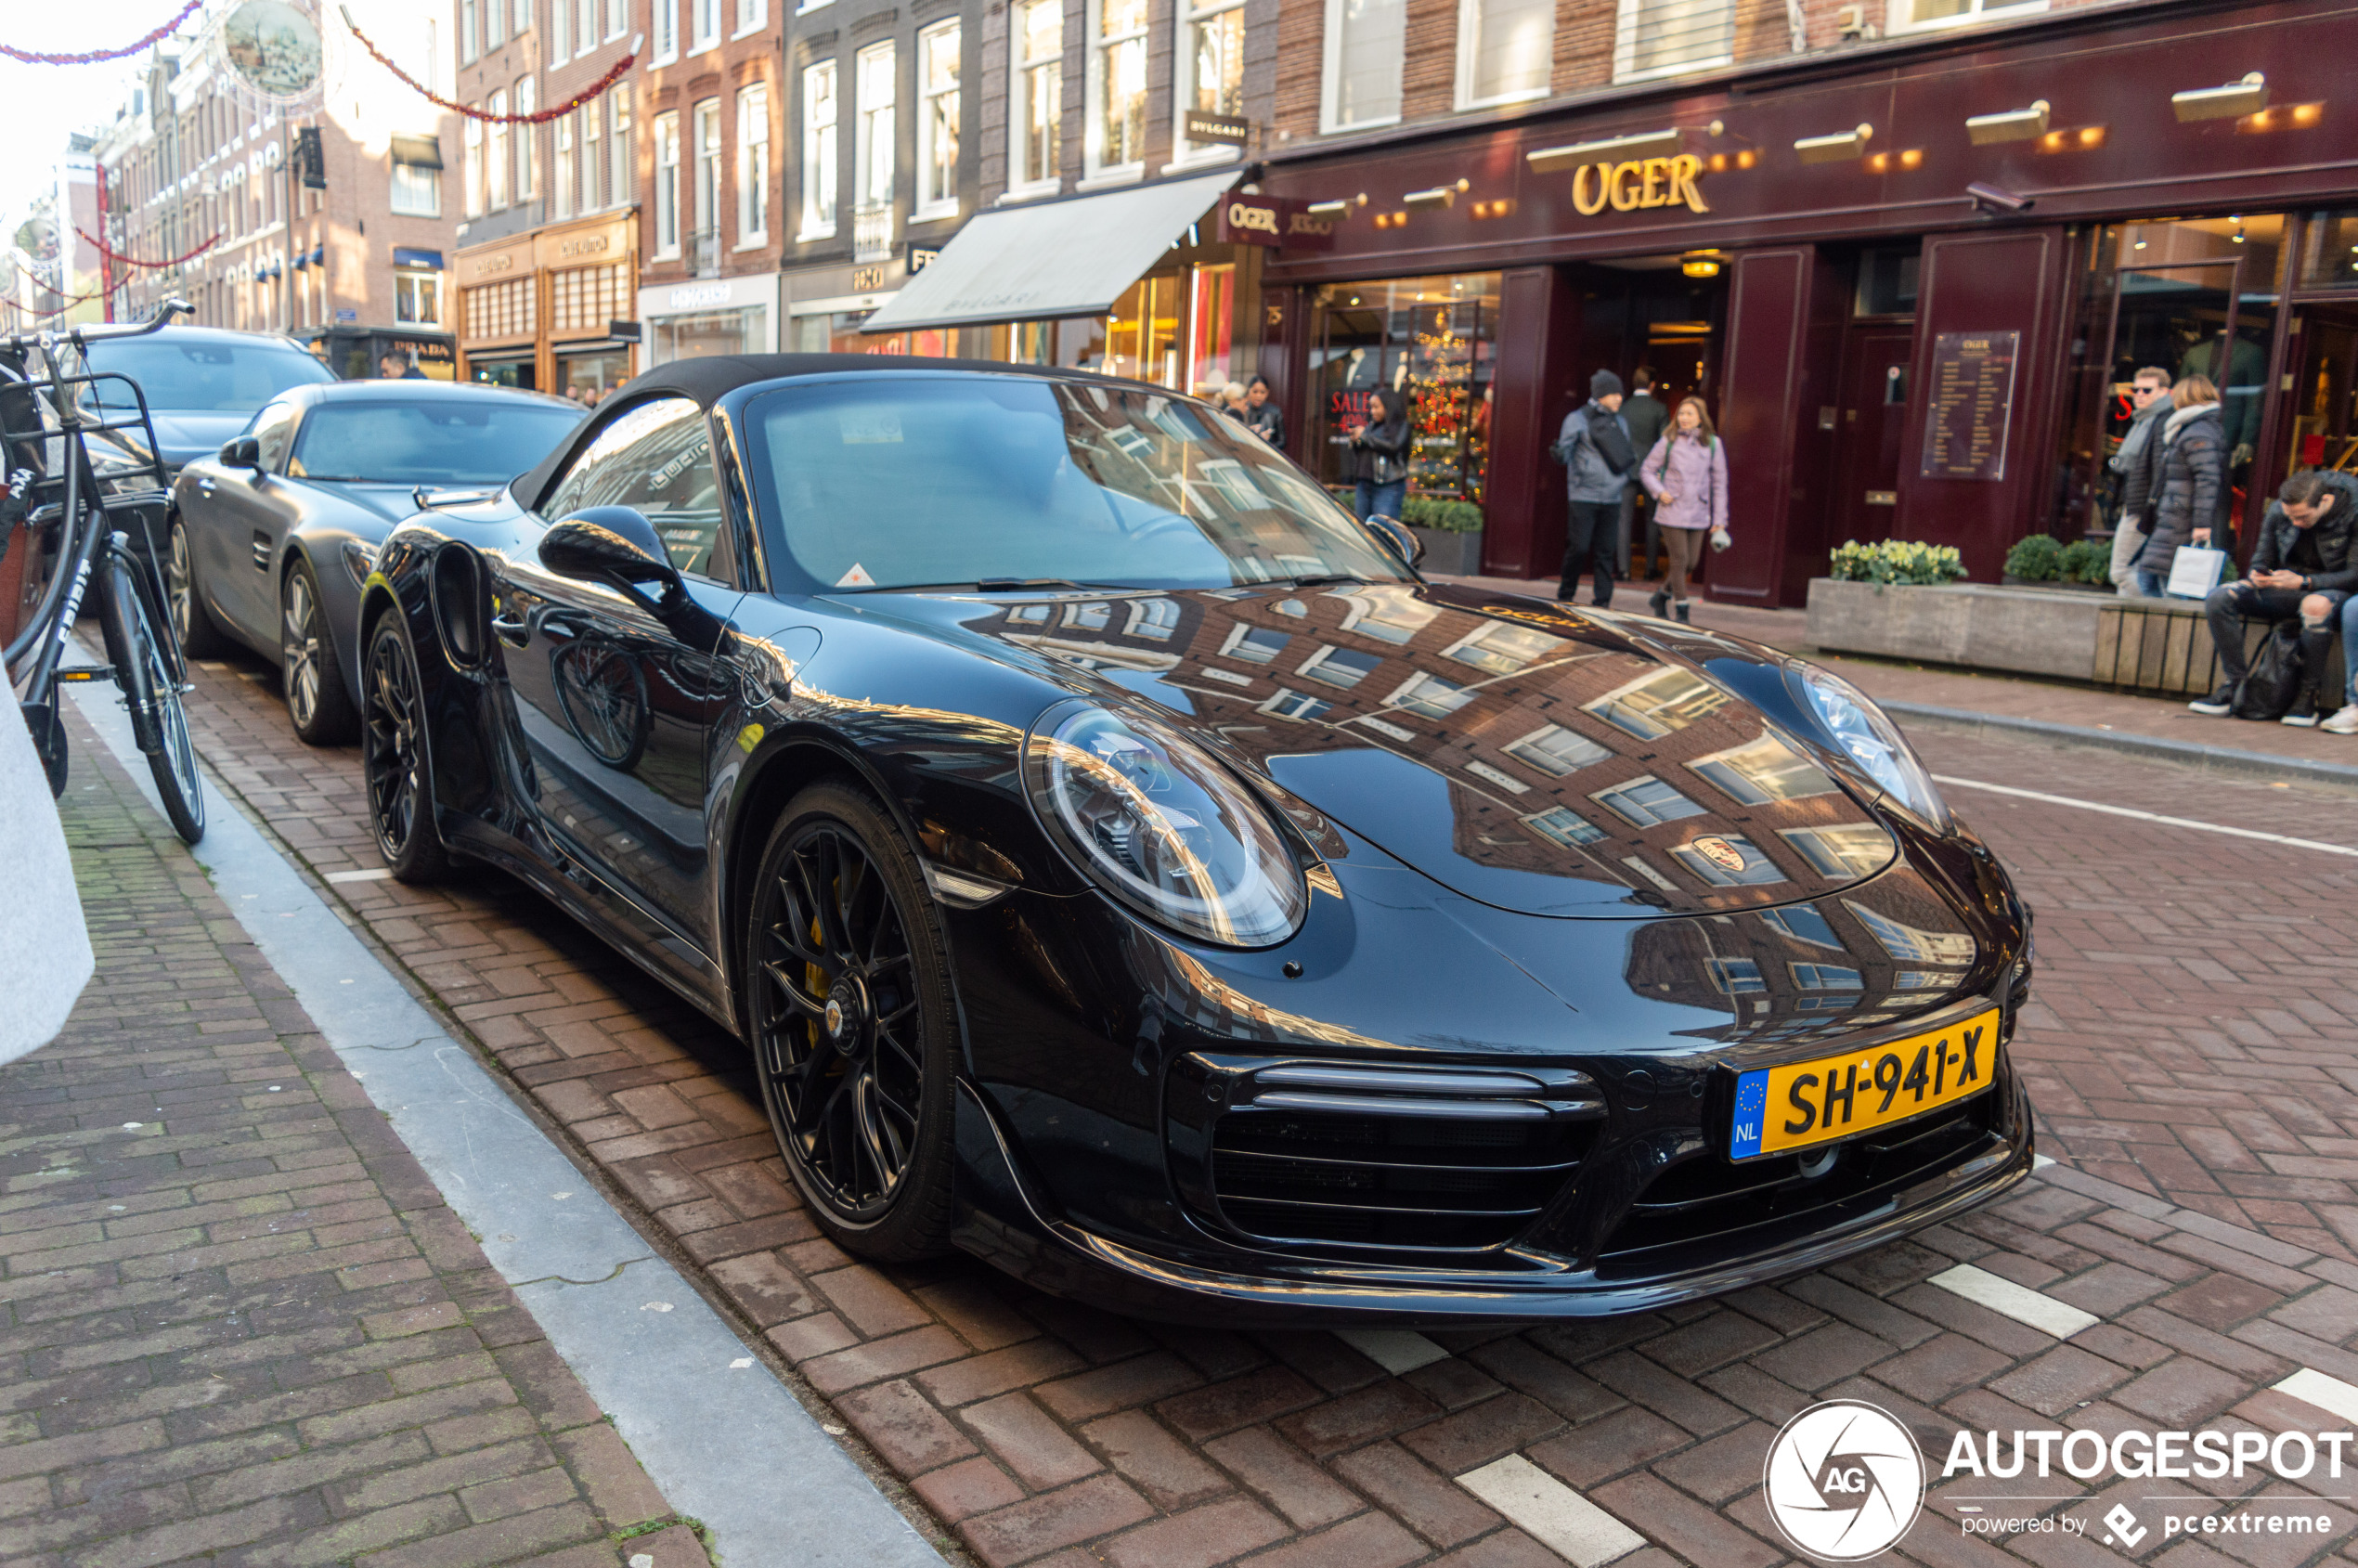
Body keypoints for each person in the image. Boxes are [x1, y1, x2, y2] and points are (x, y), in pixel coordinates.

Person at [2189, 469, 2357, 723]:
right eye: (2291, 517)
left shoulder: (2353, 512)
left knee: (2316, 605)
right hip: (2286, 586)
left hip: (2333, 592)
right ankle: (2235, 685)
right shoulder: (2282, 510)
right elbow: (2261, 556)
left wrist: (2305, 582)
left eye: (2302, 517)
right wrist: (2258, 574)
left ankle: (2307, 697)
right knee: (2219, 597)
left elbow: (2354, 575)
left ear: (2324, 501)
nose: (2296, 523)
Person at [1635, 395, 1729, 624]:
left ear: (1700, 418)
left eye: (1689, 414)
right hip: (1671, 509)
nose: (1684, 418)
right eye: (1681, 414)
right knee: (1679, 559)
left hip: (1698, 511)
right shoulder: (1668, 440)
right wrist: (1659, 492)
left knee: (1691, 563)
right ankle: (1682, 611)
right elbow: (1646, 469)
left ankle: (1660, 596)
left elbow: (1719, 483)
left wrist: (1720, 520)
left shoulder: (1713, 444)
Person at [2133, 375, 2226, 599]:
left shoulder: (2198, 432)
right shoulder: (2192, 428)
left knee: (2169, 586)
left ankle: (2168, 633)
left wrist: (2202, 524)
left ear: (2186, 397)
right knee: (2150, 578)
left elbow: (2208, 479)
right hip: (2174, 518)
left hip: (2182, 520)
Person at [1552, 370, 1635, 606]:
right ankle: (1566, 595)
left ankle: (1603, 601)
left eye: (1620, 393)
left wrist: (1622, 480)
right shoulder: (1576, 419)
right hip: (1583, 495)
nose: (1619, 398)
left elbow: (1626, 453)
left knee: (1606, 551)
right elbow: (1565, 453)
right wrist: (1559, 454)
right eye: (1613, 393)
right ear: (1600, 395)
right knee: (1578, 548)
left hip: (1612, 496)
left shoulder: (1620, 421)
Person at [2107, 366, 2172, 596]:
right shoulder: (2142, 421)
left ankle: (2156, 608)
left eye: (2147, 390)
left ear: (2164, 392)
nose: (2140, 395)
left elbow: (2160, 472)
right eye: (2136, 390)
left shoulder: (2162, 422)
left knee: (2120, 572)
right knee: (2134, 570)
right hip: (2136, 505)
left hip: (2143, 509)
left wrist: (2151, 510)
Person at [1620, 367, 1670, 579]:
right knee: (1652, 518)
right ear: (1652, 384)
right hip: (1651, 471)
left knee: (1624, 519)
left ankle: (1623, 570)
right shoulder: (1659, 409)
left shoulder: (1623, 408)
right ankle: (1651, 569)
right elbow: (1665, 443)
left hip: (1625, 468)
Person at [1350, 387, 1412, 522]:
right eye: (1371, 407)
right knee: (1363, 530)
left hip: (1388, 485)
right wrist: (1357, 441)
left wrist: (1365, 437)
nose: (1372, 411)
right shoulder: (1371, 426)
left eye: (1376, 407)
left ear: (1388, 405)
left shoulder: (1402, 426)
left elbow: (1393, 446)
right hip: (1364, 485)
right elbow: (1361, 454)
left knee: (1383, 531)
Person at [1243, 374, 1284, 447]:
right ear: (1249, 391)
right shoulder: (1243, 409)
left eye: (1262, 392)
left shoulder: (1274, 412)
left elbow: (1282, 441)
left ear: (1267, 393)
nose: (1258, 396)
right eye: (1255, 392)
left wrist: (1267, 444)